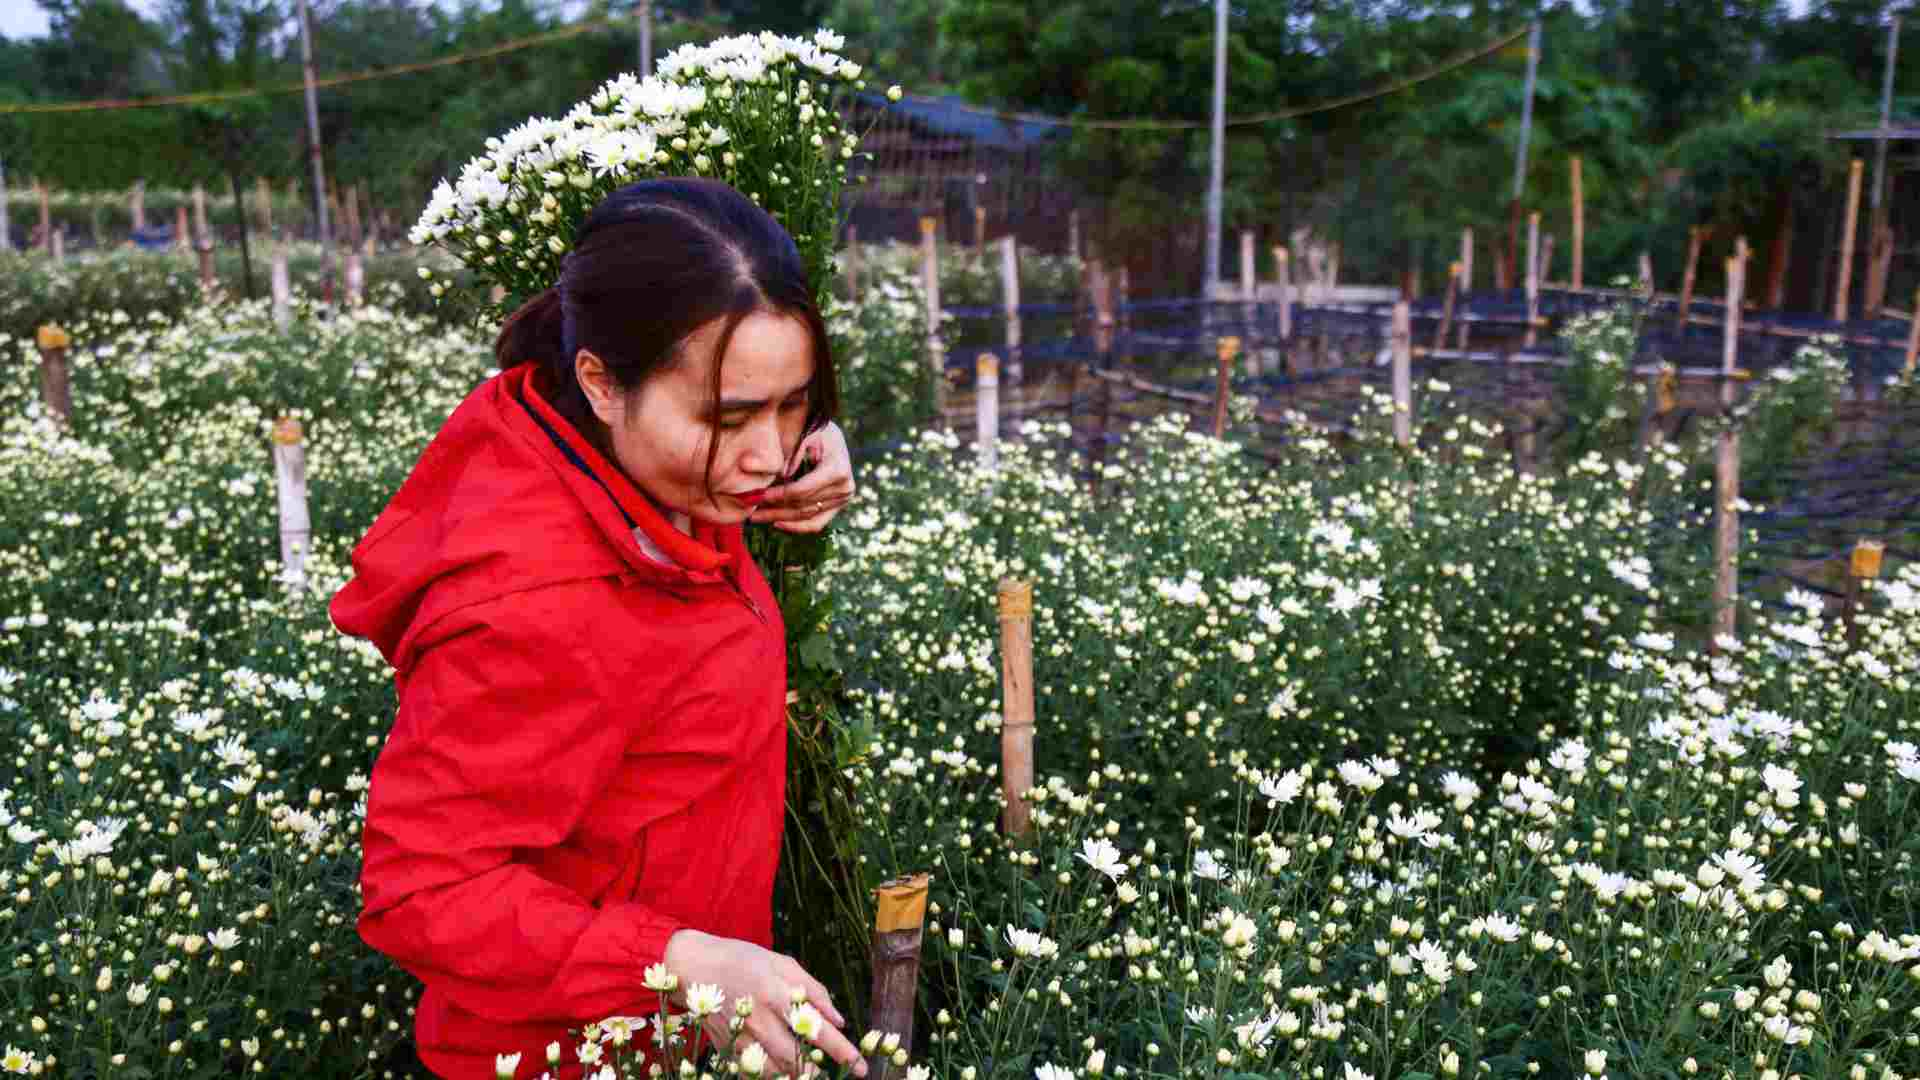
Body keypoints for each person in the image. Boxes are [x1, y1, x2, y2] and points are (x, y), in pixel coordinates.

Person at [331, 178, 868, 1080]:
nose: (769, 454)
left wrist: (812, 444)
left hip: (682, 1033)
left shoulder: (641, 469)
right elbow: (419, 888)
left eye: (793, 403)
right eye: (731, 417)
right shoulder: (531, 603)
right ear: (601, 382)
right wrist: (675, 964)